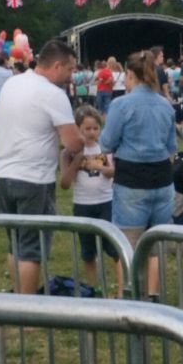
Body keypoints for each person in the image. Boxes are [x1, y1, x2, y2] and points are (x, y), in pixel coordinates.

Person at [0, 39, 81, 295]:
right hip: (33, 178)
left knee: (15, 244)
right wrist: (82, 142)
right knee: (32, 247)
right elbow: (71, 142)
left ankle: (17, 293)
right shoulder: (53, 94)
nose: (70, 76)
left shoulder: (12, 82)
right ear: (56, 66)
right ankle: (28, 308)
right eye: (70, 69)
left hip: (2, 173)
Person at [99, 50, 177, 300]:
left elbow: (107, 143)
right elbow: (172, 147)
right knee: (154, 243)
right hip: (163, 179)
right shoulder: (166, 105)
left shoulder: (121, 105)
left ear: (130, 74)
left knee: (127, 244)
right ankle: (153, 295)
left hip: (132, 180)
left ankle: (127, 296)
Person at [59, 106, 122, 297]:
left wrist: (102, 167)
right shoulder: (68, 152)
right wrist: (76, 162)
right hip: (83, 204)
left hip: (105, 202)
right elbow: (64, 183)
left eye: (95, 128)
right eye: (87, 129)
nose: (92, 133)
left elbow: (114, 172)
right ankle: (95, 288)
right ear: (78, 129)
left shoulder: (105, 147)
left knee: (113, 247)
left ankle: (121, 290)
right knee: (88, 250)